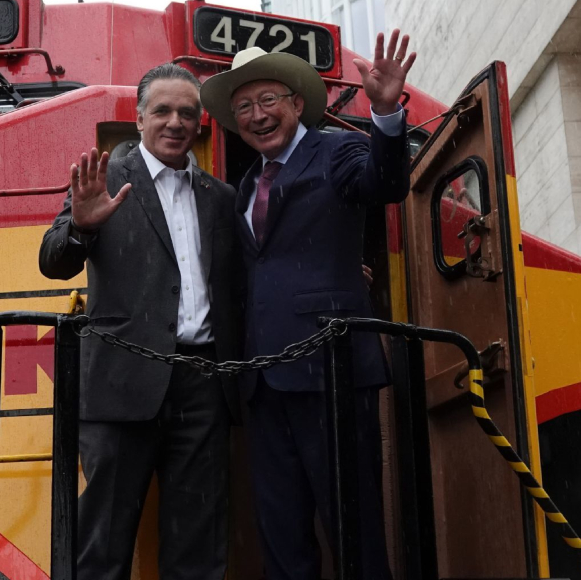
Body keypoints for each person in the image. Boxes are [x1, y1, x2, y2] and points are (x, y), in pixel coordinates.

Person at [199, 31, 416, 580]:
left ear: (297, 104)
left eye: (268, 100)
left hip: (332, 375)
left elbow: (386, 182)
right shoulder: (246, 184)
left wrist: (385, 112)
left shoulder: (338, 150)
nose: (257, 114)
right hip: (264, 385)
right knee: (282, 537)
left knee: (355, 529)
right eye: (244, 106)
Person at [38, 63, 243, 580]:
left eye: (187, 113)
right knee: (101, 544)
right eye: (163, 111)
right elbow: (52, 260)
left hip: (203, 386)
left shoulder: (222, 198)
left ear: (200, 123)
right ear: (138, 118)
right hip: (120, 383)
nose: (176, 122)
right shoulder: (104, 180)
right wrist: (81, 228)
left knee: (199, 542)